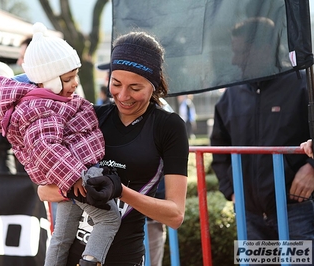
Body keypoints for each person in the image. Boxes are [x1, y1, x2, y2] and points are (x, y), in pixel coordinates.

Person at [37, 31, 189, 266]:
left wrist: (119, 191)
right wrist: (83, 186)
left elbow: (175, 215)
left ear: (154, 84)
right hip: (72, 256)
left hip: (124, 257)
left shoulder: (168, 126)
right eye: (116, 84)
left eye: (135, 88)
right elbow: (43, 191)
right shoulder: (91, 116)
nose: (123, 95)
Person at [0, 22, 121, 266]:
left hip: (70, 174)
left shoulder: (51, 101)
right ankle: (91, 262)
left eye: (75, 76)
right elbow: (45, 148)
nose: (74, 84)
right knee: (109, 219)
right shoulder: (41, 108)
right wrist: (75, 176)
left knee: (62, 234)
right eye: (68, 79)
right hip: (76, 172)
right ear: (48, 81)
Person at [210, 16, 314, 257]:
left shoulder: (303, 84)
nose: (234, 60)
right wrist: (231, 191)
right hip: (250, 218)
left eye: (240, 52)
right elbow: (218, 144)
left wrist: (312, 166)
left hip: (296, 211)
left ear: (263, 48)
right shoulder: (231, 94)